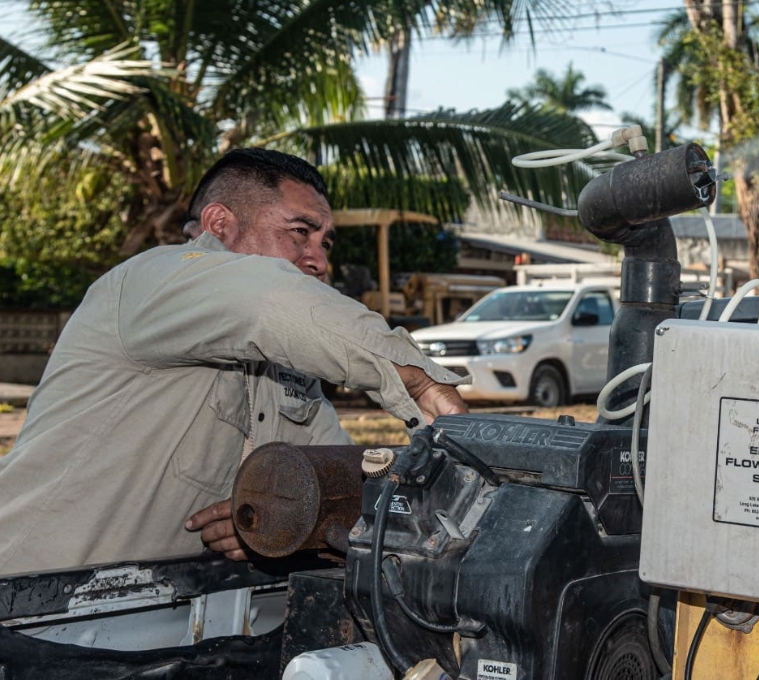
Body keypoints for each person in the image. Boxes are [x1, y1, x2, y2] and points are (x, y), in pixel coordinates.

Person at [0, 149, 467, 575]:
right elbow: (272, 302)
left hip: (182, 627)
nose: (319, 260)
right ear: (220, 224)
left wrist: (283, 526)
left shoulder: (287, 366)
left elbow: (343, 475)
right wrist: (418, 381)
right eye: (300, 232)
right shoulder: (150, 280)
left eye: (325, 243)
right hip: (35, 611)